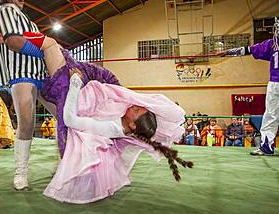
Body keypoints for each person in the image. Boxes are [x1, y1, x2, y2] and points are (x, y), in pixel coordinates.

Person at [0, 0, 119, 191]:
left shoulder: (27, 20)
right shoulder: (5, 11)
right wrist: (44, 48)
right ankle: (21, 172)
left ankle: (66, 162)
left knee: (67, 117)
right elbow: (13, 41)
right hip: (22, 73)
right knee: (27, 122)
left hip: (43, 76)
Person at [43, 72, 192, 204]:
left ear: (133, 125)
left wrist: (75, 83)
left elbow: (70, 120)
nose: (134, 106)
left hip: (72, 115)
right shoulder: (122, 120)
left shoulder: (109, 127)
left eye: (137, 110)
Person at [226, 17, 278, 155]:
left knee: (271, 115)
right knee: (270, 115)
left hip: (274, 83)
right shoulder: (273, 44)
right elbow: (250, 49)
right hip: (274, 83)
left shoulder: (273, 44)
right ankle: (266, 146)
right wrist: (230, 52)